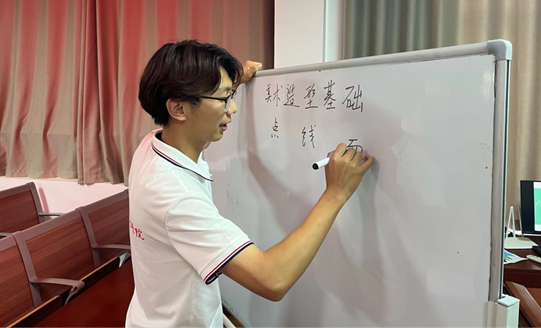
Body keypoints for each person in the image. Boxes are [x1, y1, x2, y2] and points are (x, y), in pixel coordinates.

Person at [126, 40, 374, 328]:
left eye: (230, 95)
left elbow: (196, 119)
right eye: (223, 98)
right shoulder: (175, 197)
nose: (232, 108)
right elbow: (272, 279)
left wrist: (230, 84)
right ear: (178, 109)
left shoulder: (153, 146)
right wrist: (336, 193)